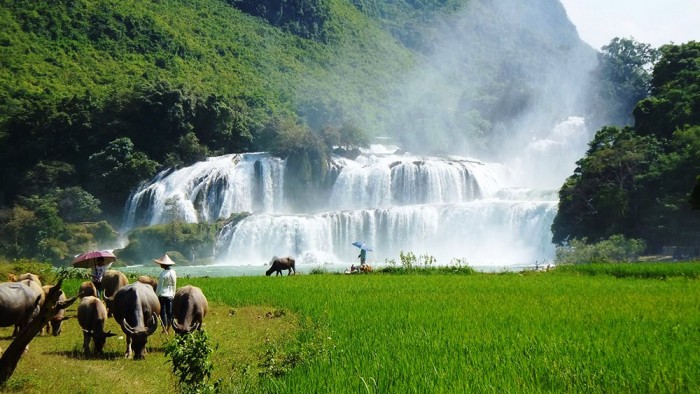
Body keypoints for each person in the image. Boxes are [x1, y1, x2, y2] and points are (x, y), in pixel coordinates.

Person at [155, 253, 177, 334]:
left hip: (163, 295)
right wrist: (173, 294)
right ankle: (168, 328)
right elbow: (174, 285)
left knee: (163, 313)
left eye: (161, 264)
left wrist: (156, 296)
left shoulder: (162, 274)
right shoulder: (173, 272)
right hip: (171, 295)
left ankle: (164, 329)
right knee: (170, 313)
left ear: (163, 265)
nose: (160, 265)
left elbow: (159, 286)